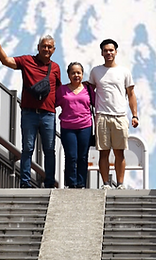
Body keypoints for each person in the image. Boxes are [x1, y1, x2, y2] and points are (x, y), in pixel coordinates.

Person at [0, 26, 59, 188]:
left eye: (49, 47)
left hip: (48, 114)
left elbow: (58, 91)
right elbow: (6, 61)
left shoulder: (55, 68)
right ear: (38, 48)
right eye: (44, 46)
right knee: (28, 148)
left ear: (53, 50)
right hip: (29, 113)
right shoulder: (27, 61)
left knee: (49, 150)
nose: (46, 49)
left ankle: (49, 184)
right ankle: (25, 183)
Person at [87, 38, 138, 188]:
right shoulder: (96, 71)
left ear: (116, 52)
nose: (108, 53)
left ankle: (120, 183)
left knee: (119, 152)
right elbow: (89, 91)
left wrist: (134, 115)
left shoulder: (124, 71)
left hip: (120, 115)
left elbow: (131, 94)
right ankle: (105, 183)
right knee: (103, 152)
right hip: (102, 115)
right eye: (105, 50)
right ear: (101, 53)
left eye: (111, 50)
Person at [56, 62, 93, 190]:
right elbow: (52, 103)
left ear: (82, 74)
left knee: (83, 156)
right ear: (68, 75)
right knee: (71, 156)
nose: (76, 75)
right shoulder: (62, 90)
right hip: (68, 127)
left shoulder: (88, 90)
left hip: (85, 126)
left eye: (79, 72)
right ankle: (71, 183)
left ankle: (81, 183)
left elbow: (97, 103)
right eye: (73, 73)